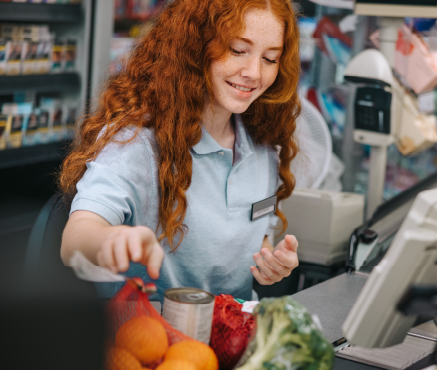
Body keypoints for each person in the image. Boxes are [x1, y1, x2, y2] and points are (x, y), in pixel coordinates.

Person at [59, 0, 302, 300]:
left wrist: (269, 260)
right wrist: (111, 239)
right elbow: (75, 239)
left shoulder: (264, 149)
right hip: (151, 338)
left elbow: (254, 235)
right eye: (238, 50)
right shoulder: (136, 144)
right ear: (195, 46)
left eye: (269, 59)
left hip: (233, 335)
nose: (253, 72)